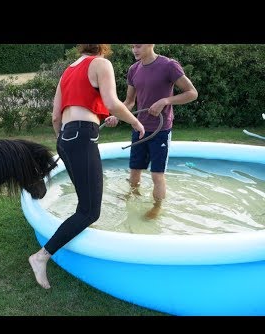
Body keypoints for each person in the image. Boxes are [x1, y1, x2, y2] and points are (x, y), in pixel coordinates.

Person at [28, 44, 145, 289]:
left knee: (86, 203)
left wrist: (63, 140)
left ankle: (65, 241)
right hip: (82, 137)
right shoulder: (101, 64)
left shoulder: (67, 71)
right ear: (103, 47)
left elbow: (55, 117)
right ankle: (41, 257)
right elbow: (112, 103)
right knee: (90, 211)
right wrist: (135, 122)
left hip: (67, 138)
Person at [104, 44, 198, 220]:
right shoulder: (133, 69)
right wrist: (116, 116)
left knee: (157, 175)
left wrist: (165, 100)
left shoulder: (169, 65)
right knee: (134, 172)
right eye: (132, 46)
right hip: (139, 128)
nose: (134, 50)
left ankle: (157, 207)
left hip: (160, 131)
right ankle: (133, 197)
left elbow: (192, 93)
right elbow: (130, 102)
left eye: (138, 45)